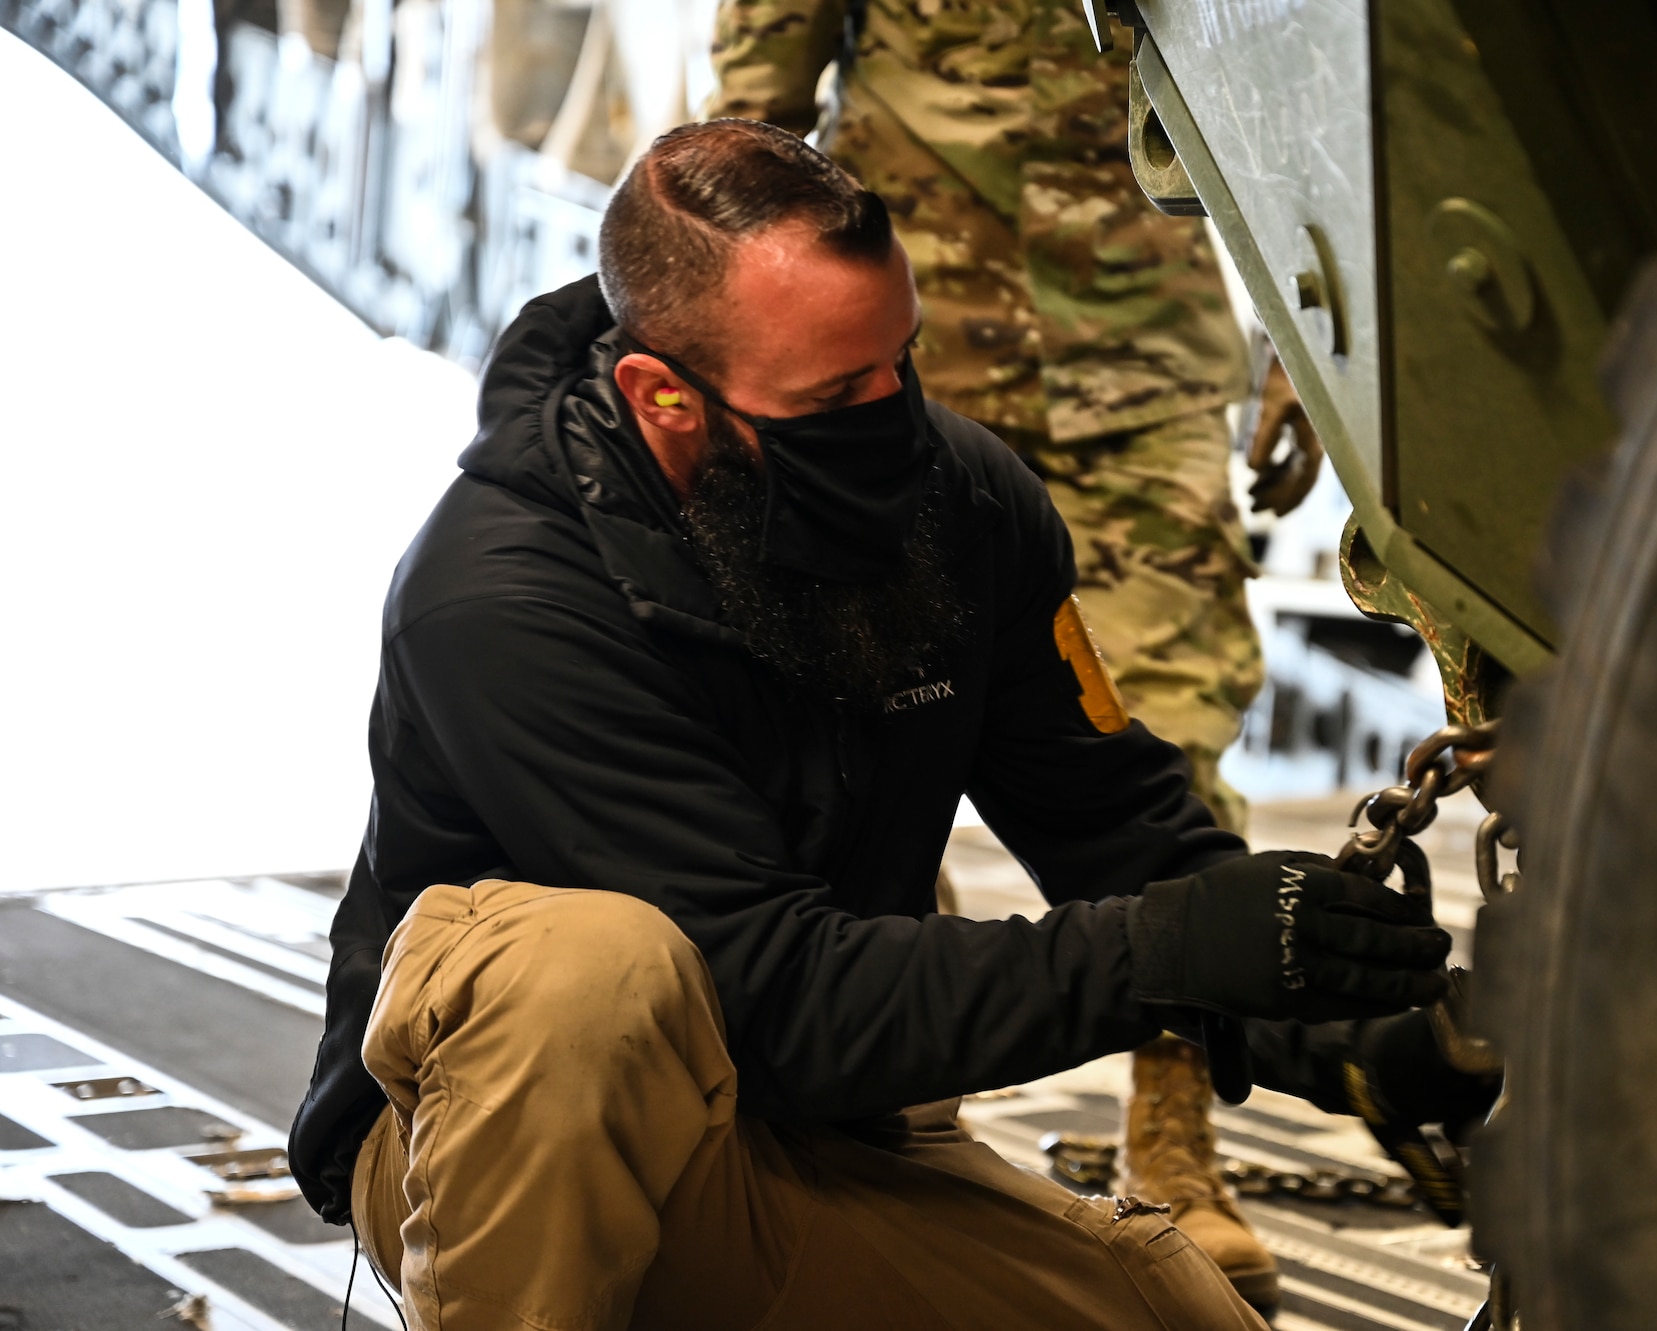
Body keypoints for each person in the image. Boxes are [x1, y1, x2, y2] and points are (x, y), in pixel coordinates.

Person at [288, 120, 1476, 1331]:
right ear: (662, 396)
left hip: (801, 1122)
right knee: (582, 977)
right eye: (837, 395)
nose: (895, 421)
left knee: (1173, 1317)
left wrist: (1351, 1020)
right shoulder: (504, 594)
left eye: (899, 361)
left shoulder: (958, 505)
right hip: (503, 1145)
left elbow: (1113, 826)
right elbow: (776, 991)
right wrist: (1156, 953)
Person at [706, 0, 1323, 1300]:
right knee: (869, 726)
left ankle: (1175, 1144)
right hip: (902, 361)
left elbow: (1289, 68)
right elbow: (753, 119)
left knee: (1170, 720)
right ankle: (891, 1120)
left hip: (1142, 346)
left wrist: (1313, 333)